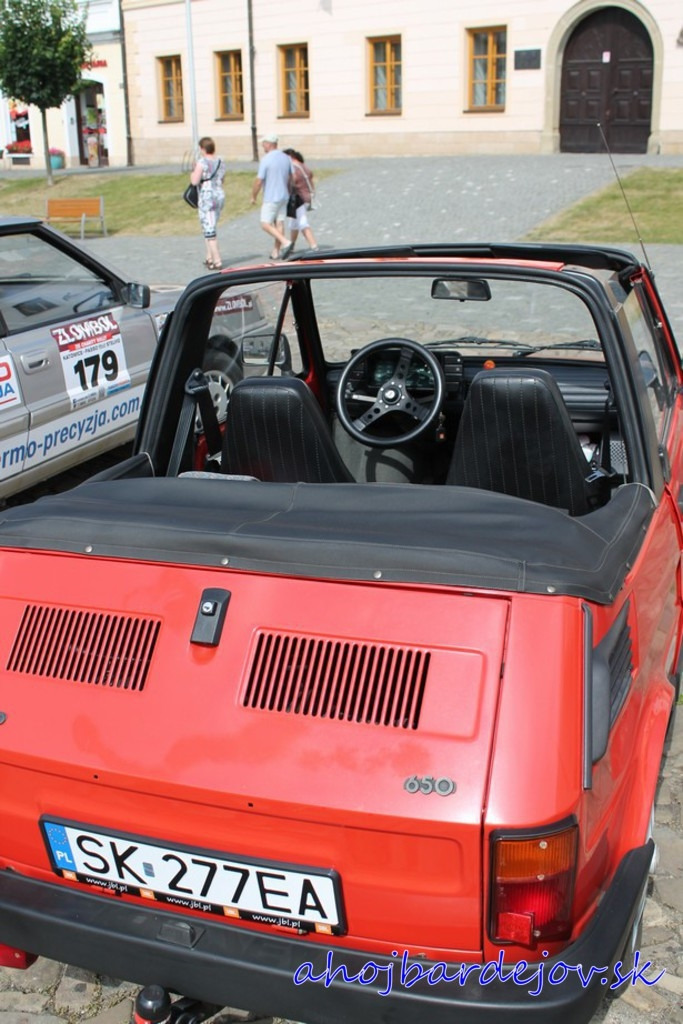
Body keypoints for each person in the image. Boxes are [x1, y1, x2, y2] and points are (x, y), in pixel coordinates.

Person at [250, 134, 293, 260]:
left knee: (265, 224)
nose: (262, 145)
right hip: (284, 195)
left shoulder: (266, 159)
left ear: (269, 144)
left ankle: (285, 242)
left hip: (271, 196)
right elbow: (292, 177)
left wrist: (253, 196)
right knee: (279, 222)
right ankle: (276, 251)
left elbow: (259, 181)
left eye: (263, 143)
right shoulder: (286, 158)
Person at [190, 136, 226, 269]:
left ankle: (217, 260)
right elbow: (222, 179)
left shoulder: (202, 162)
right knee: (210, 225)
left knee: (210, 231)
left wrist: (193, 172)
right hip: (219, 195)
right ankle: (209, 257)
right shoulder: (220, 161)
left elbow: (194, 181)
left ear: (202, 149)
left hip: (207, 197)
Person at [284, 148, 319, 252]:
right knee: (294, 224)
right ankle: (291, 246)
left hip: (298, 198)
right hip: (308, 196)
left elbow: (291, 182)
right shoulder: (303, 166)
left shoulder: (294, 168)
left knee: (302, 223)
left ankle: (314, 246)